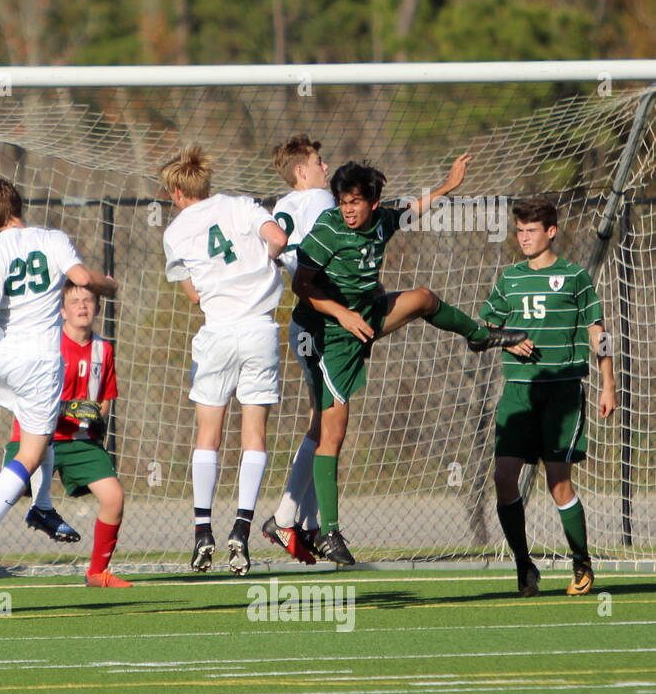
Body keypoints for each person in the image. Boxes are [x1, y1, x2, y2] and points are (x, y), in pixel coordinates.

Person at [292, 158, 527, 566]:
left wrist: (447, 186)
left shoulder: (382, 218)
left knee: (422, 298)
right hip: (326, 332)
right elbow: (300, 284)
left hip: (360, 317)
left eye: (355, 202)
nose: (348, 209)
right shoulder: (329, 230)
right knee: (334, 428)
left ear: (374, 202)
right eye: (343, 201)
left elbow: (412, 209)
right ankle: (327, 531)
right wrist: (342, 314)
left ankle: (479, 336)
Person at [0, 175, 117, 576]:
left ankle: (43, 507)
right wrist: (110, 284)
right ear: (19, 203)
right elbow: (85, 279)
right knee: (31, 451)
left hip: (4, 363)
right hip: (40, 362)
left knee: (41, 428)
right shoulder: (52, 238)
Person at [0, 278, 129, 587]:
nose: (82, 306)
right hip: (34, 437)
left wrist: (95, 419)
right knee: (2, 495)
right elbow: (29, 393)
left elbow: (102, 402)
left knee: (114, 497)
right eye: (74, 302)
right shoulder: (48, 344)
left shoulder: (103, 349)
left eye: (88, 300)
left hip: (79, 441)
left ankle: (97, 572)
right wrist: (63, 409)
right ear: (61, 311)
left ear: (98, 307)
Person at [160, 145, 288, 576]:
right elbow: (278, 239)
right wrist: (258, 269)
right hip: (259, 328)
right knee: (254, 436)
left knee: (207, 436)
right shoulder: (241, 205)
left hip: (217, 332)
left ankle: (202, 533)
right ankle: (241, 529)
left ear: (178, 191)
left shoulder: (176, 232)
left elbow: (195, 295)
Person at [480, 199, 615, 597]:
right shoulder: (510, 278)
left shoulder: (575, 277)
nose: (523, 237)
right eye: (519, 230)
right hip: (518, 392)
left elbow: (598, 332)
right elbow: (486, 324)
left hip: (562, 393)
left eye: (531, 230)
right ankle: (524, 567)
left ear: (551, 232)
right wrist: (508, 339)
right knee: (504, 478)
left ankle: (581, 562)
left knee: (559, 483)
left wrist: (608, 384)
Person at [263, 133, 335, 565]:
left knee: (323, 420)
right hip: (320, 316)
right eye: (320, 161)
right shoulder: (319, 200)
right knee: (326, 422)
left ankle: (305, 524)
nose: (327, 168)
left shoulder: (284, 207)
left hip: (303, 317)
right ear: (302, 171)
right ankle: (286, 518)